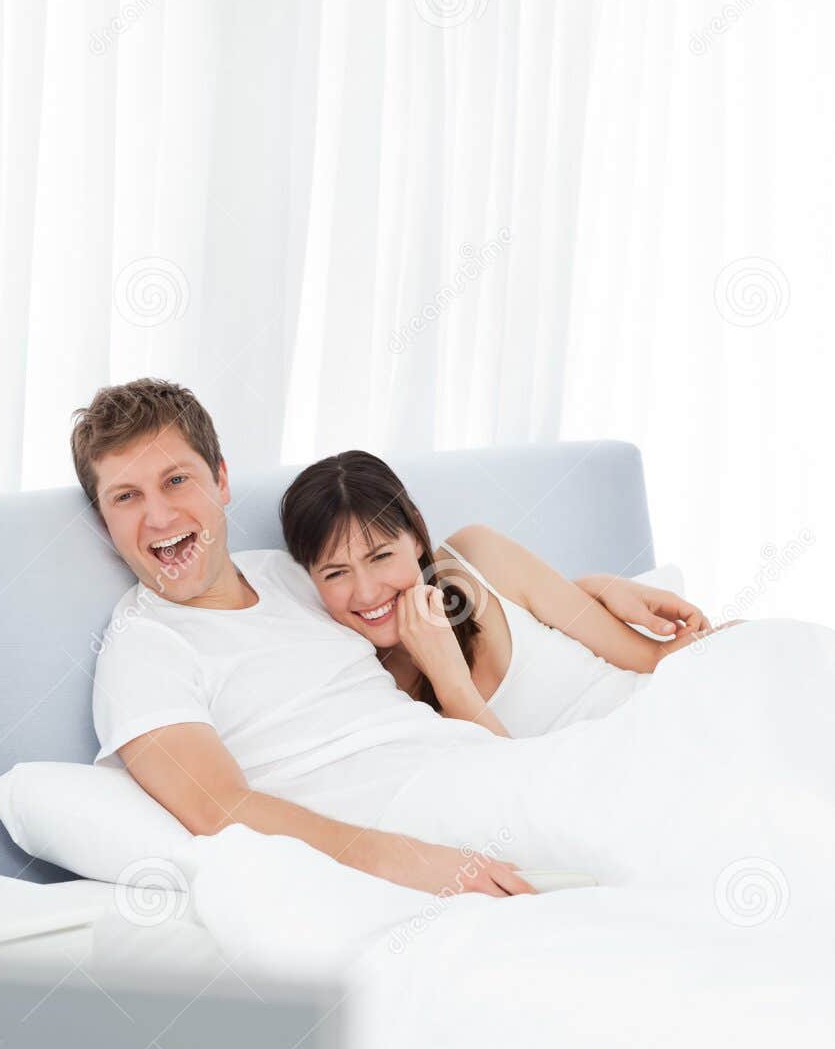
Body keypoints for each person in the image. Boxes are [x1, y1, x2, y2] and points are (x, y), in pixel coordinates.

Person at [76, 379, 809, 899]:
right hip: (415, 811)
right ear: (103, 518)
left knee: (768, 673)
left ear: (221, 481)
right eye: (125, 497)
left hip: (480, 765)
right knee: (696, 803)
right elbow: (218, 809)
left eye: (176, 481)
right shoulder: (145, 648)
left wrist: (594, 587)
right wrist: (404, 861)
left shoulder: (288, 578)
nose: (158, 515)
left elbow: (429, 587)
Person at [279, 449, 714, 739]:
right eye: (336, 573)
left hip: (664, 719)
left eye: (380, 556)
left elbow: (651, 659)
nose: (368, 591)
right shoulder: (359, 686)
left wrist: (588, 589)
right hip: (592, 788)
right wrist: (451, 682)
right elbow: (509, 790)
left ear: (414, 537)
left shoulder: (474, 556)